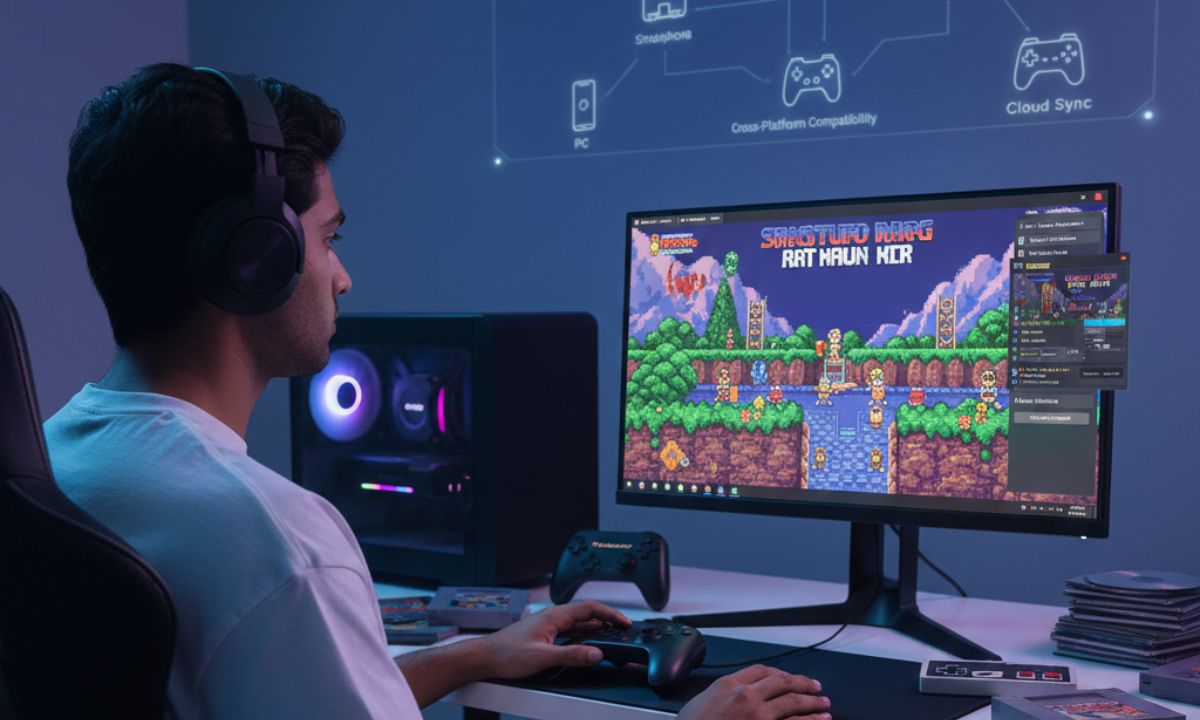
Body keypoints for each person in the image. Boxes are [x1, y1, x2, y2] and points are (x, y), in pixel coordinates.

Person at [45, 63, 832, 719]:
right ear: (255, 258)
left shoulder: (53, 460)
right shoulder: (279, 546)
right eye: (328, 238)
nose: (343, 276)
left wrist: (471, 656)